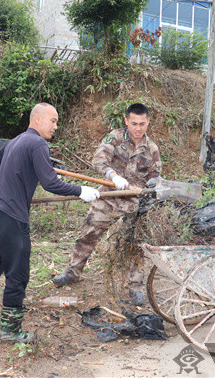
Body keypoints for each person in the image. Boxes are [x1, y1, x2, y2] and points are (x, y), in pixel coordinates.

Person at [0, 103, 100, 343]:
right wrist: (80, 191)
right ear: (37, 119)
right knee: (18, 273)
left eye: (57, 122)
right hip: (12, 218)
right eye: (52, 121)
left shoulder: (16, 141)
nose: (56, 126)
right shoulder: (37, 144)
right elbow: (51, 183)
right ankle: (10, 330)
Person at [52, 103, 162, 306]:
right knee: (88, 235)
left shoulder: (152, 149)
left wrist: (153, 183)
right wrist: (112, 175)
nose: (138, 128)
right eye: (134, 123)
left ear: (148, 122)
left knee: (133, 245)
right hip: (108, 197)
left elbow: (155, 175)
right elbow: (99, 160)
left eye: (142, 124)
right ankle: (72, 272)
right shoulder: (115, 137)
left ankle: (135, 287)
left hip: (133, 205)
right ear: (126, 121)